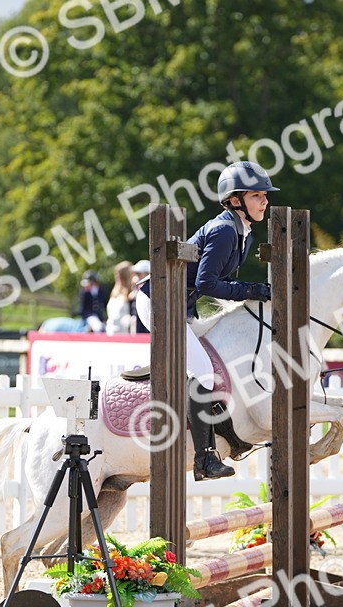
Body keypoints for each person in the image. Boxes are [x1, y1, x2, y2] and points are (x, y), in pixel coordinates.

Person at [135, 161, 276, 480]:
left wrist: (251, 289)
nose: (265, 201)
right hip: (159, 299)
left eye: (265, 195)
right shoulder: (225, 230)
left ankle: (223, 435)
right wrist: (251, 290)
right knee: (203, 371)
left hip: (179, 301)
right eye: (257, 196)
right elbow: (207, 283)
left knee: (210, 365)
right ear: (235, 200)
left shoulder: (243, 232)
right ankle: (204, 458)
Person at [104, 261, 139, 335]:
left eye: (120, 275)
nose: (118, 277)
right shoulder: (115, 291)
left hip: (125, 332)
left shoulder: (132, 292)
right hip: (111, 330)